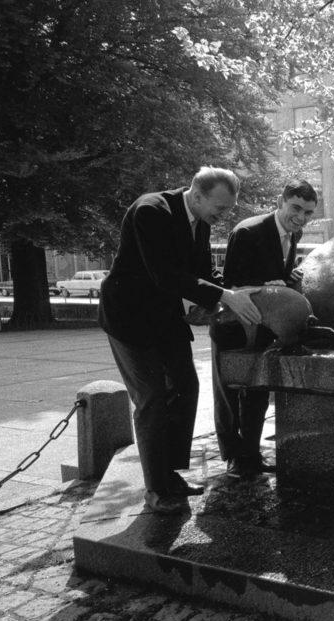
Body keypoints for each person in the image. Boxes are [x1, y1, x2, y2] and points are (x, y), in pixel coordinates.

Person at [99, 167, 261, 514]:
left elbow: (202, 272)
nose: (223, 216)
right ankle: (156, 489)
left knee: (187, 387)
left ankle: (169, 473)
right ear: (197, 195)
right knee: (152, 399)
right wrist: (224, 296)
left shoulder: (201, 220)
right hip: (128, 318)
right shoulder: (150, 211)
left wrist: (236, 290)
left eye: (228, 209)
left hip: (164, 317)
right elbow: (165, 275)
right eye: (220, 207)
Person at [210, 179, 318, 479]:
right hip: (236, 324)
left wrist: (288, 277)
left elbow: (277, 276)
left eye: (308, 212)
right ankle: (234, 457)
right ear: (280, 202)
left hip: (265, 324)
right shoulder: (247, 231)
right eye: (296, 208)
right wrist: (266, 285)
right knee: (229, 393)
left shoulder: (293, 233)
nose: (301, 217)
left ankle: (251, 454)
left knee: (257, 390)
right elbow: (230, 285)